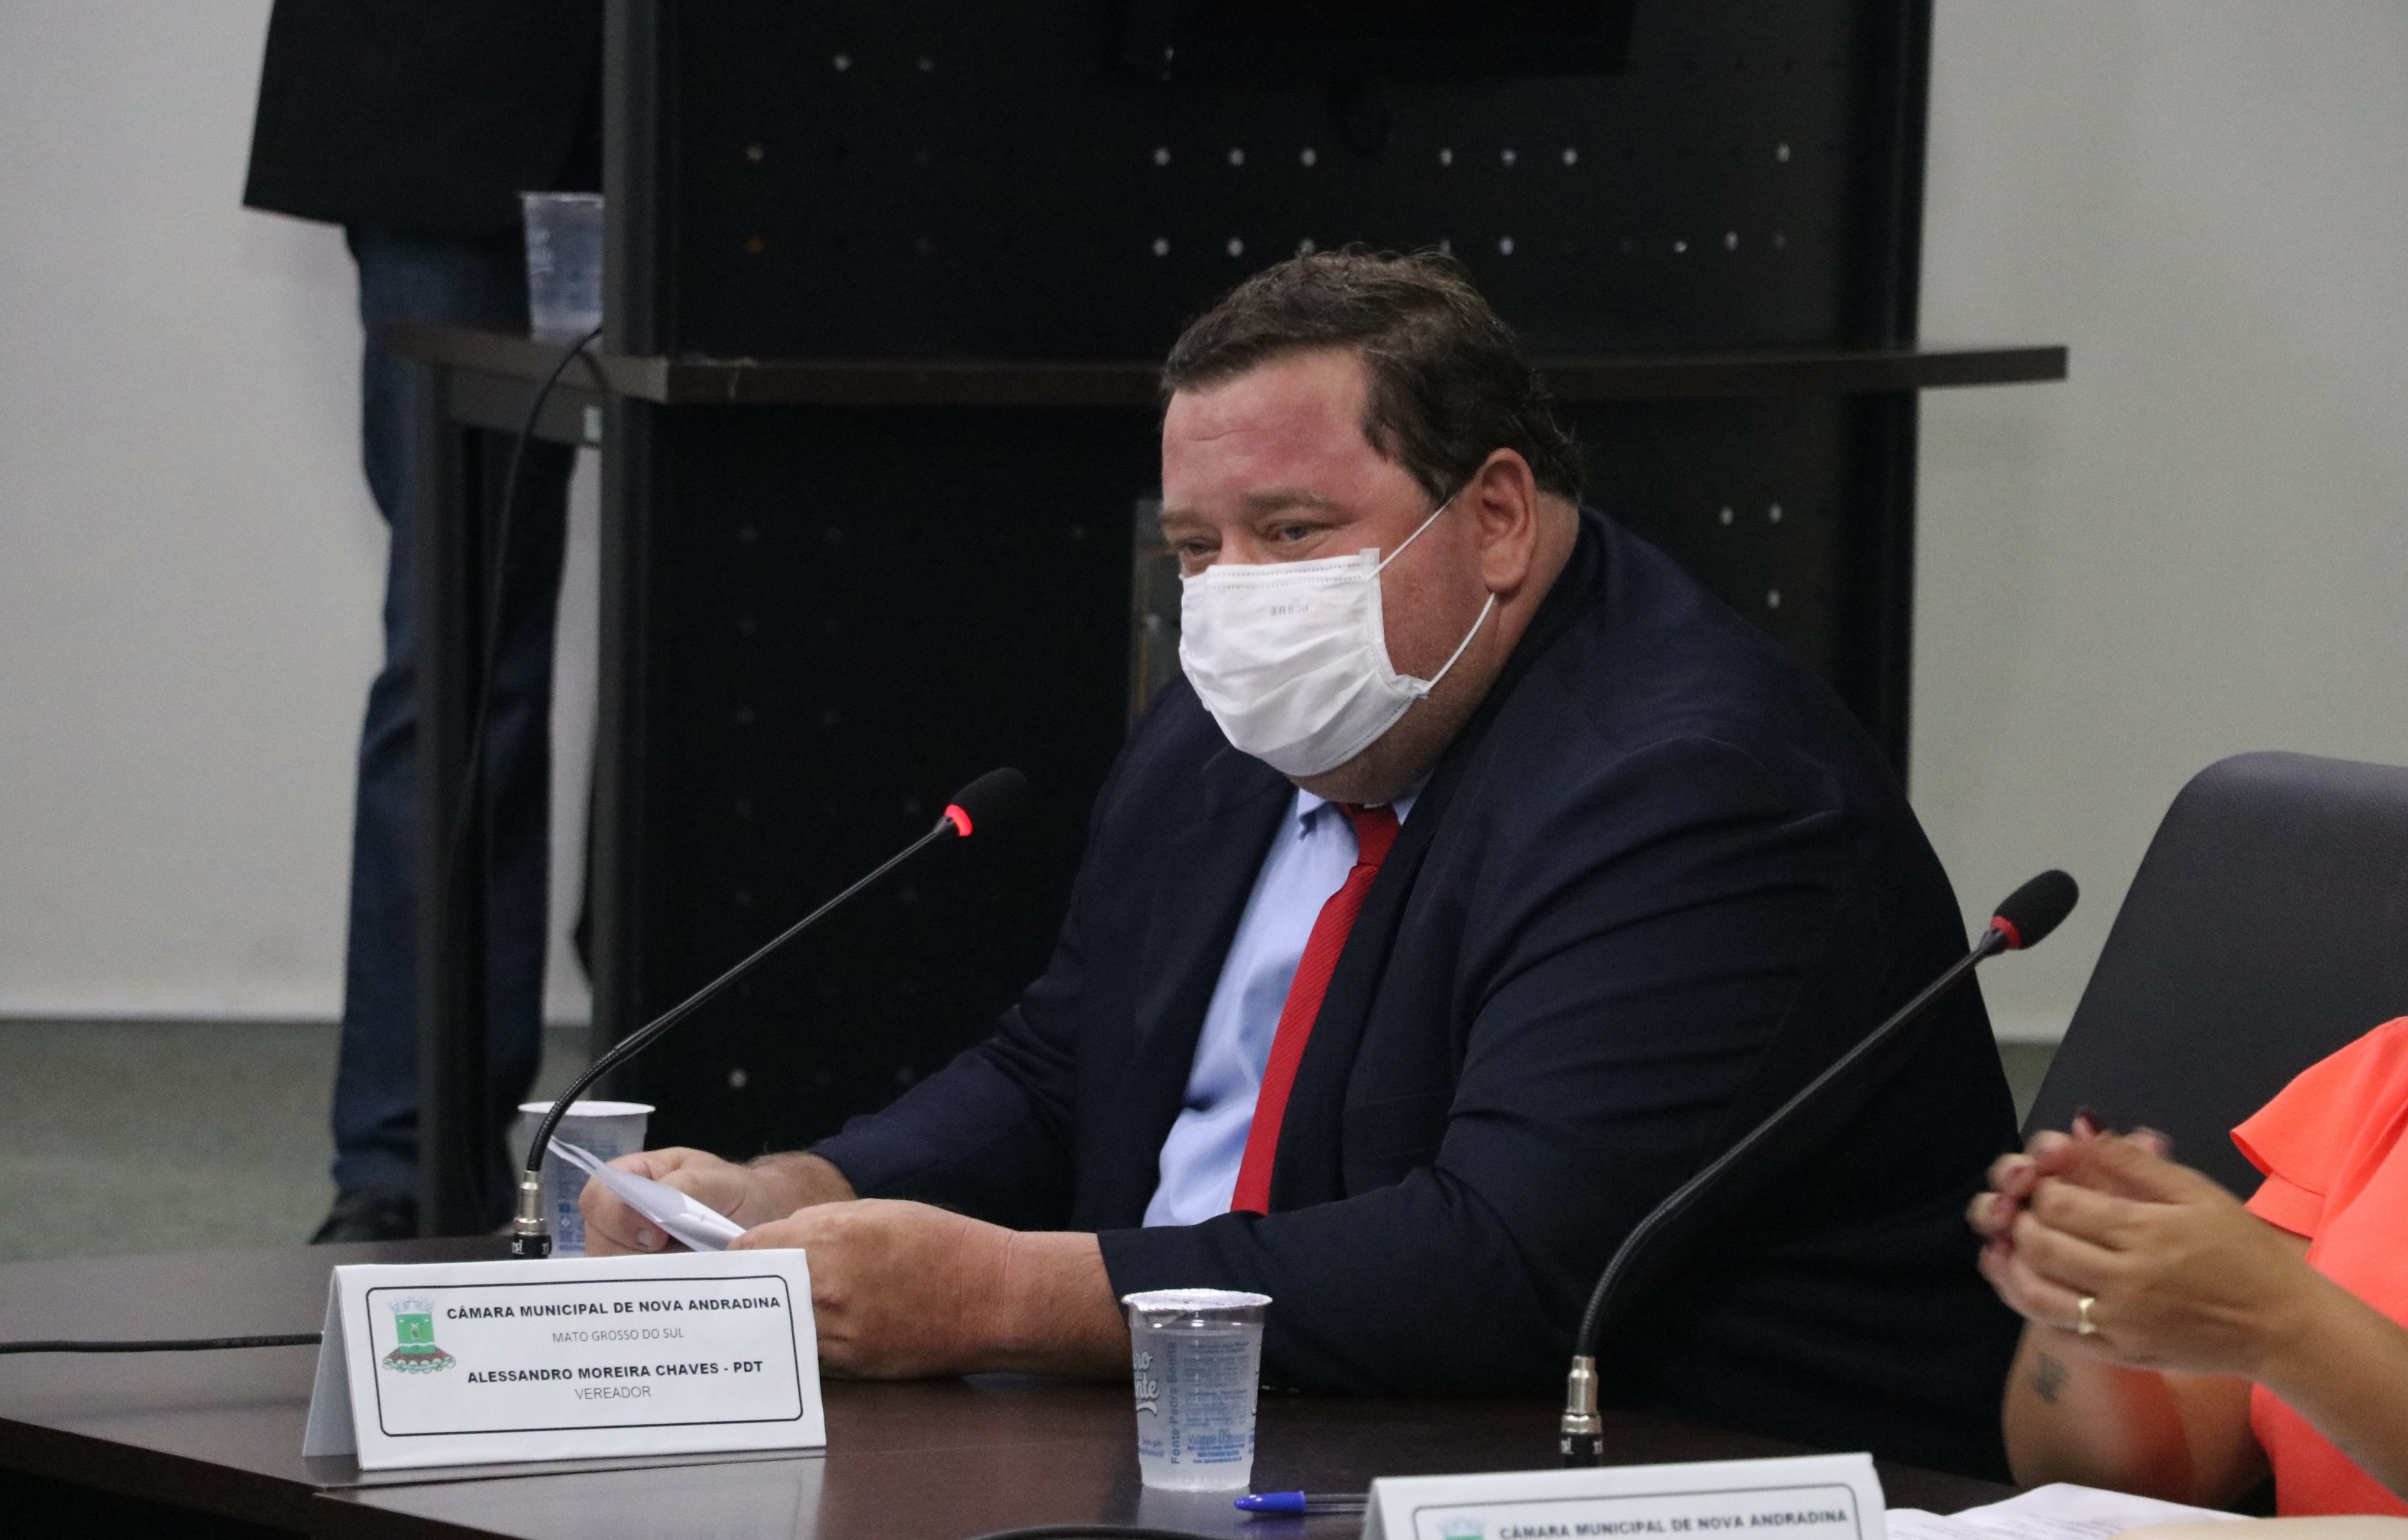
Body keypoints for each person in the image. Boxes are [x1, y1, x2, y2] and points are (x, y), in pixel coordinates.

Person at [585, 250, 2025, 1477]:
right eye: (1195, 547)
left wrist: (1003, 1293)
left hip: (1647, 1467)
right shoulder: (1236, 724)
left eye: (1292, 531)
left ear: (1497, 517)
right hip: (1238, 1434)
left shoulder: (1692, 788)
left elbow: (1503, 1264)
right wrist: (806, 1185)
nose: (1235, 601)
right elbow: (1062, 1066)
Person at [243, 0, 603, 1240]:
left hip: (739, 69)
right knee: (460, 641)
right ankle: (407, 1153)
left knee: (727, 612)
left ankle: (704, 1102)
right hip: (443, 63)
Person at [1971, 1019, 2408, 1514]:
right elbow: (2143, 1481)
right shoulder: (2389, 1072)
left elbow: (2275, 1318)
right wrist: (2084, 1266)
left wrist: (2285, 1324)